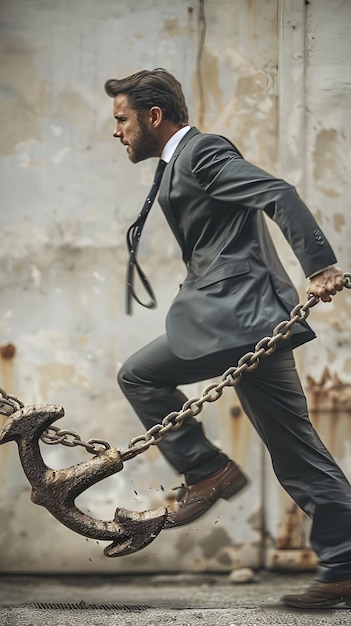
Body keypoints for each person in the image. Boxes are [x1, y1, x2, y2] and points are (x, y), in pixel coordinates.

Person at [104, 68, 351, 609]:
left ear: (153, 116)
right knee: (297, 454)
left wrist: (320, 265)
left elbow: (277, 192)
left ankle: (208, 469)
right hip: (246, 320)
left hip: (239, 317)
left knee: (139, 374)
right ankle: (344, 568)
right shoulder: (175, 167)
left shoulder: (201, 153)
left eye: (121, 119)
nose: (115, 131)